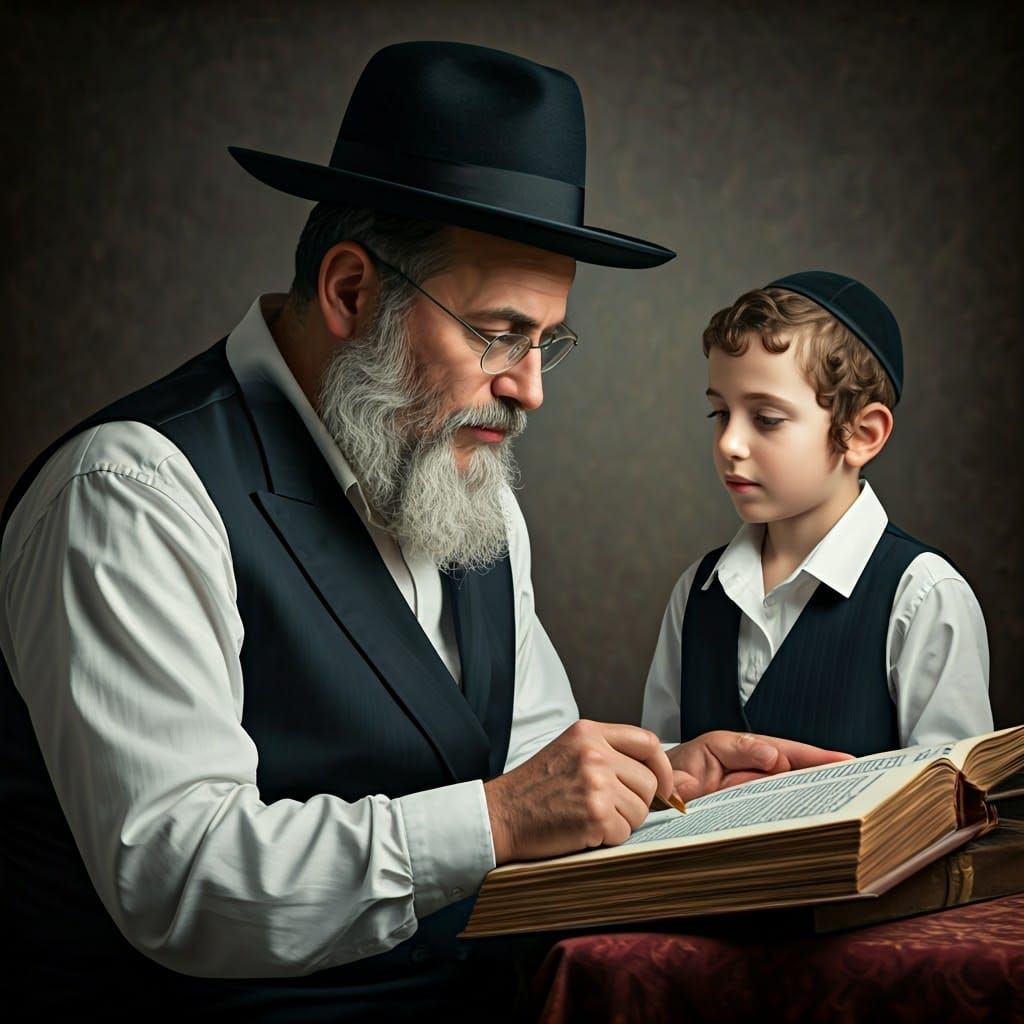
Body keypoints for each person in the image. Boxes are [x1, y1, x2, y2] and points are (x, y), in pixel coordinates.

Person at [0, 43, 848, 1021]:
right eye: (498, 333)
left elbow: (537, 774)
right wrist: (494, 818)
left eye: (547, 341)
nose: (529, 389)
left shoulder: (465, 483)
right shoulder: (131, 492)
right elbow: (181, 880)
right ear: (351, 291)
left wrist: (664, 795)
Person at [643, 271, 993, 756]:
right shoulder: (696, 593)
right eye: (720, 413)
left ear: (862, 434)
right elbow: (662, 779)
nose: (729, 443)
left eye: (767, 418)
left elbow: (950, 807)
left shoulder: (923, 597)